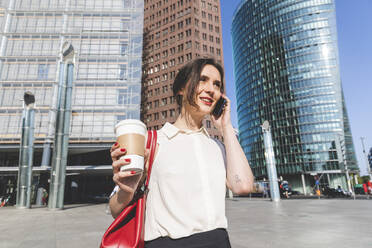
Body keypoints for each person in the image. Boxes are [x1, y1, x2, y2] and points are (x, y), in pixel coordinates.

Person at [109, 58, 254, 247]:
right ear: (182, 88)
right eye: (203, 80)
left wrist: (225, 127)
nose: (211, 89)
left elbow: (242, 186)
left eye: (217, 84)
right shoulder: (152, 141)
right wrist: (126, 190)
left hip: (218, 241)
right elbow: (115, 209)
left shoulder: (217, 146)